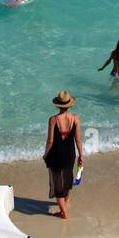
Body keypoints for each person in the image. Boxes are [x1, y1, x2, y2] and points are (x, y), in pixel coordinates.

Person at [43, 91, 83, 220]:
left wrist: (45, 154)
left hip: (56, 155)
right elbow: (78, 139)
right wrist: (81, 155)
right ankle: (65, 203)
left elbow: (50, 141)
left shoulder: (53, 120)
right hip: (70, 154)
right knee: (67, 177)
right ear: (69, 105)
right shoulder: (75, 118)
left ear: (57, 105)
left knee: (57, 184)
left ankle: (63, 213)